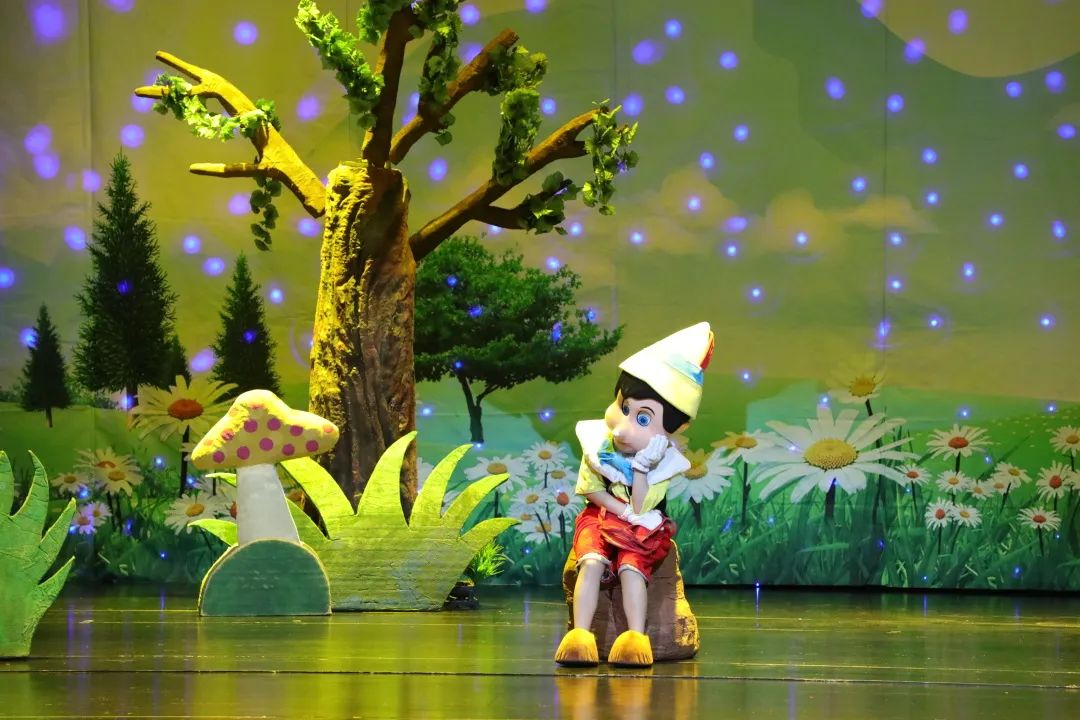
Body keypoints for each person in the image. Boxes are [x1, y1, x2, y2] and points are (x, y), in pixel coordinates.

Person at [555, 322, 713, 668]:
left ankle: (635, 637)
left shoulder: (663, 462)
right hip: (600, 515)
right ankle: (580, 634)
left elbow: (640, 507)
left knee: (631, 567)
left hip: (640, 525)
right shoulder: (598, 445)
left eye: (644, 419)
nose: (624, 427)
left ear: (674, 428)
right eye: (624, 407)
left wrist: (641, 470)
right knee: (591, 560)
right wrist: (619, 510)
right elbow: (591, 490)